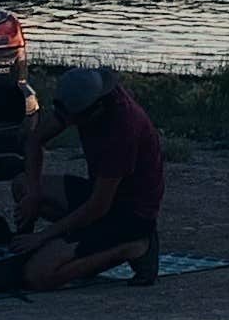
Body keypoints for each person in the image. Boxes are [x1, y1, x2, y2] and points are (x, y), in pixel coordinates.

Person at [15, 65, 165, 289]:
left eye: (72, 119)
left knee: (38, 275)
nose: (67, 122)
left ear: (93, 111)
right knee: (22, 186)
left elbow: (98, 208)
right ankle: (74, 244)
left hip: (129, 215)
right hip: (100, 195)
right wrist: (34, 194)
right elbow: (35, 141)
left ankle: (135, 247)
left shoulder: (122, 131)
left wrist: (42, 237)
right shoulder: (84, 98)